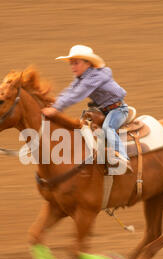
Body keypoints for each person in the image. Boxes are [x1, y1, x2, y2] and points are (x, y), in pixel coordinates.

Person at [42, 44, 132, 173]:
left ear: (88, 63)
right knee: (83, 128)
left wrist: (56, 109)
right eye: (71, 64)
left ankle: (123, 158)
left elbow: (77, 94)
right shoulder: (81, 78)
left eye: (76, 63)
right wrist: (54, 104)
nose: (73, 67)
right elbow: (69, 91)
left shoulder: (95, 77)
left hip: (117, 110)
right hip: (103, 110)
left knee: (108, 128)